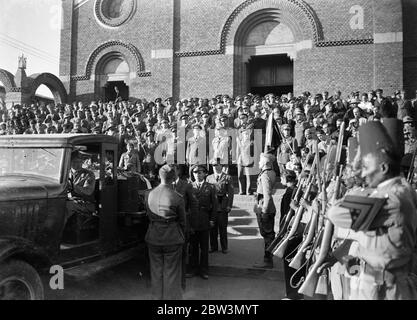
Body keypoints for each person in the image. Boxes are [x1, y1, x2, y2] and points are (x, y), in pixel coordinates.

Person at [328, 119, 417, 300]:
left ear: (383, 167)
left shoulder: (390, 197)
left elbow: (336, 213)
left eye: (366, 167)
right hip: (376, 282)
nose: (363, 173)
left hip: (387, 290)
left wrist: (354, 177)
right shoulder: (399, 191)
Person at [145, 165, 186, 300]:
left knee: (156, 272)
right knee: (171, 273)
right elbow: (183, 221)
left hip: (153, 236)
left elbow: (148, 215)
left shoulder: (149, 194)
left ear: (159, 177)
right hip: (172, 238)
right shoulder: (177, 197)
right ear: (173, 178)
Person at [172, 164, 198, 290]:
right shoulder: (164, 184)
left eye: (173, 169)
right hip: (169, 227)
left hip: (182, 225)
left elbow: (193, 205)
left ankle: (181, 284)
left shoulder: (186, 185)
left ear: (178, 171)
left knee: (182, 254)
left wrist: (191, 224)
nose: (170, 171)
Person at [188, 165, 217, 279]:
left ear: (205, 174)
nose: (197, 174)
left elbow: (214, 206)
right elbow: (186, 205)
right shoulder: (189, 187)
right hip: (193, 220)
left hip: (205, 219)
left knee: (204, 248)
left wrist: (212, 219)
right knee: (193, 247)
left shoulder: (210, 187)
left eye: (200, 172)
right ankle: (192, 269)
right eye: (195, 172)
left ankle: (204, 270)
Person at [253, 150, 277, 269]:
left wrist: (264, 211)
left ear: (265, 162)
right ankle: (268, 258)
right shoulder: (271, 172)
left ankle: (267, 260)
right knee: (268, 234)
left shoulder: (265, 174)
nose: (258, 162)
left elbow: (267, 195)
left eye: (260, 160)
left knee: (267, 234)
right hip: (265, 203)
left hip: (264, 206)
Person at [207, 158, 234, 254]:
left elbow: (231, 193)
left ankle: (224, 247)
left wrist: (229, 206)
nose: (215, 167)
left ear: (221, 166)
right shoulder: (209, 178)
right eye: (213, 165)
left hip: (222, 205)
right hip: (212, 206)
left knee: (222, 228)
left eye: (217, 165)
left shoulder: (227, 177)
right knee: (212, 228)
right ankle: (213, 246)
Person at [66, 150, 96, 224]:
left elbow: (88, 191)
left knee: (67, 205)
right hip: (70, 200)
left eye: (80, 162)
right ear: (70, 162)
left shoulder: (88, 174)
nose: (78, 164)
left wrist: (74, 187)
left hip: (85, 203)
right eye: (75, 162)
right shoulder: (65, 174)